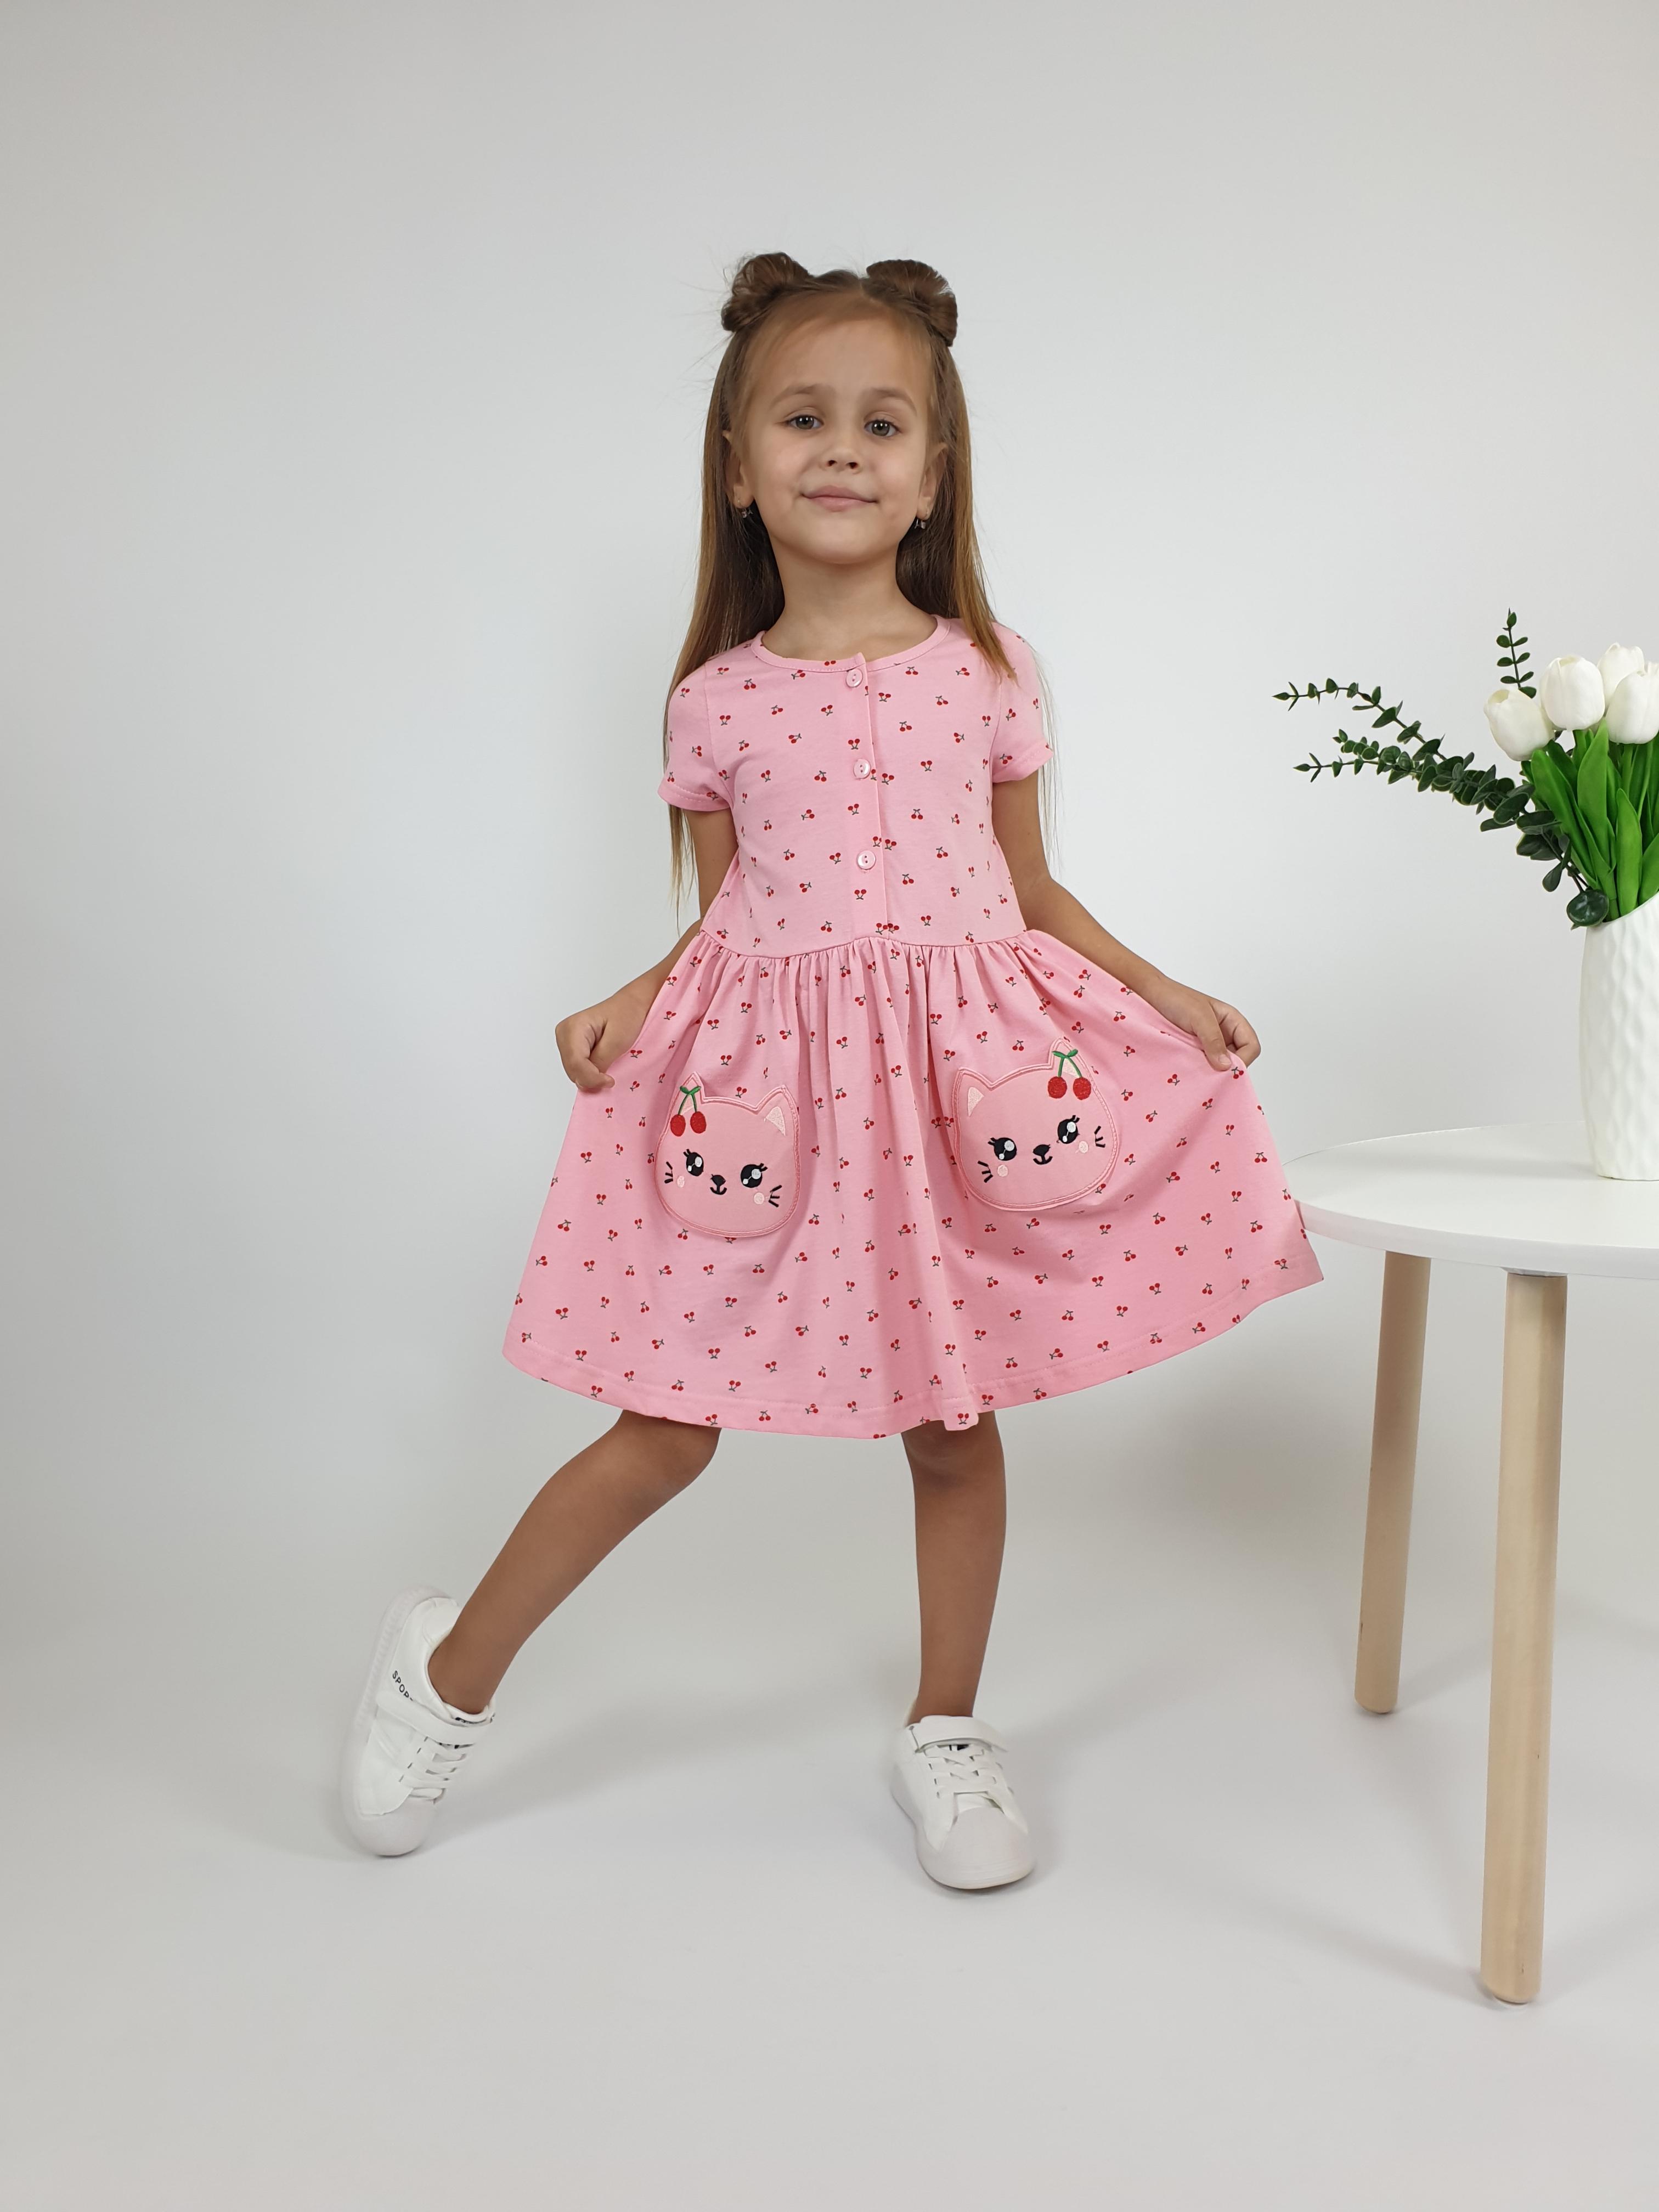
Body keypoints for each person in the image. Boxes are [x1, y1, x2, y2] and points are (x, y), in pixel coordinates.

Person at [340, 253, 1323, 1889]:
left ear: (935, 475)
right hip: (775, 1098)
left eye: (883, 424)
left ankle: (948, 1727)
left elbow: (1027, 889)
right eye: (803, 420)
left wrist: (1162, 991)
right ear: (739, 467)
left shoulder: (989, 666)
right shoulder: (714, 701)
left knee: (952, 1418)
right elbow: (741, 911)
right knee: (668, 1427)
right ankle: (441, 1676)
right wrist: (635, 996)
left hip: (952, 1089)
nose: (844, 451)